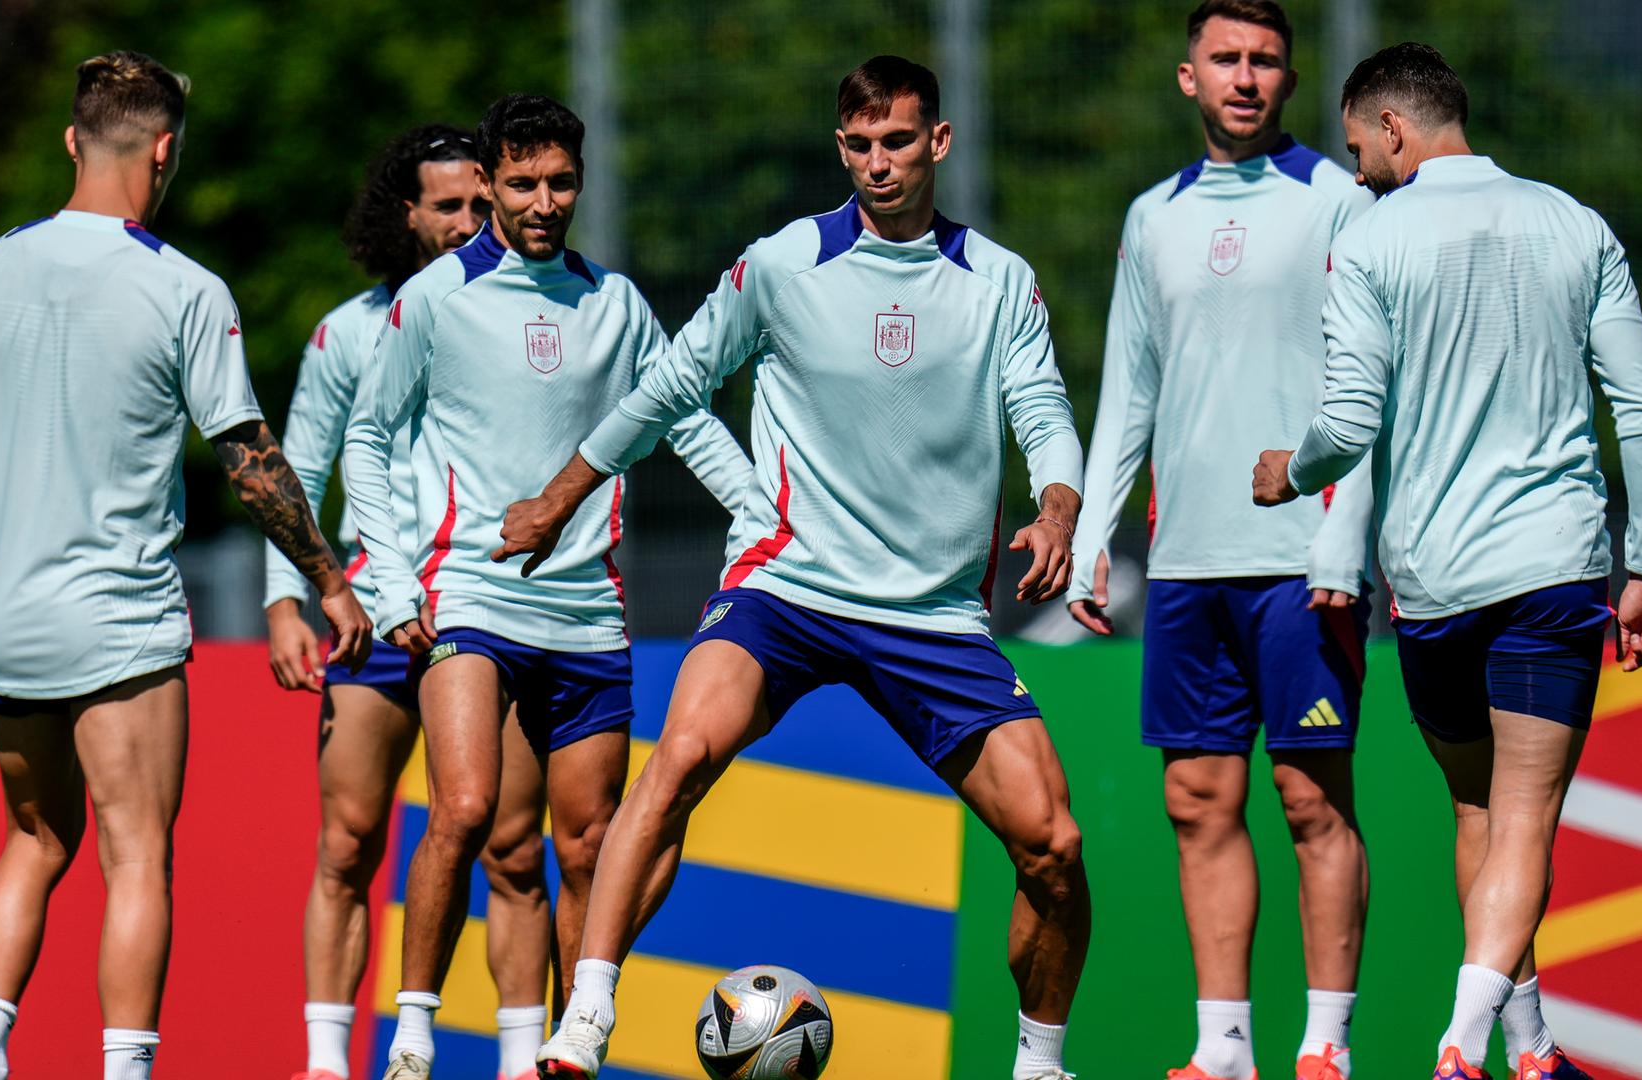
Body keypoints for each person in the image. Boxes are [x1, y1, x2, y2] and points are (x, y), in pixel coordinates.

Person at [500, 55, 1090, 1080]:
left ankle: (1039, 1064)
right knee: (679, 755)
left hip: (935, 616)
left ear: (937, 142)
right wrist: (561, 496)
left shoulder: (997, 280)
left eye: (898, 141)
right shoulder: (782, 263)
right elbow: (672, 382)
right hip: (788, 589)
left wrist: (1057, 506)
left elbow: (1041, 407)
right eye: (858, 146)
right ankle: (586, 1016)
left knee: (1054, 847)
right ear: (839, 148)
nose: (878, 165)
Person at [0, 51, 371, 1080]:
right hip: (118, 623)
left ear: (71, 140)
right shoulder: (183, 287)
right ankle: (124, 1070)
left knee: (33, 841)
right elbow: (249, 461)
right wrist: (328, 578)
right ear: (167, 150)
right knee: (137, 852)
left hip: (0, 621)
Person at [1252, 42, 1642, 1080]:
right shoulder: (1578, 225)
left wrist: (1289, 473)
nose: (1355, 170)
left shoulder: (1370, 238)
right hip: (1552, 567)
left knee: (1479, 811)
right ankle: (1474, 1041)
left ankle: (1515, 1051)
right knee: (1524, 819)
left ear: (1396, 128)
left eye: (1359, 147)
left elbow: (1347, 423)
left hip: (1436, 584)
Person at [342, 93, 749, 1080]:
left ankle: (571, 1049)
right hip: (469, 601)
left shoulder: (611, 303)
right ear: (488, 186)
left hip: (585, 615)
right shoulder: (436, 297)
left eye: (560, 181)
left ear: (580, 181)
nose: (542, 199)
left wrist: (760, 511)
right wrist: (390, 587)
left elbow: (680, 417)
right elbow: (368, 436)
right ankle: (413, 1033)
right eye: (521, 183)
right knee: (468, 807)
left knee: (588, 845)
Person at [1066, 4, 1374, 1078]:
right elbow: (1129, 388)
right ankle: (1223, 1051)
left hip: (1304, 559)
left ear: (1289, 80)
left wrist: (1346, 543)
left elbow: (1368, 386)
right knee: (1198, 800)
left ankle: (1325, 1045)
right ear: (1187, 77)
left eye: (1265, 62)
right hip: (1189, 562)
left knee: (1310, 800)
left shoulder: (1337, 199)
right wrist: (1096, 535)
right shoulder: (1153, 214)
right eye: (1226, 60)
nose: (1245, 78)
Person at [263, 125, 555, 1080]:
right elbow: (301, 467)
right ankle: (325, 1065)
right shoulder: (351, 330)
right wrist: (291, 598)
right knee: (349, 843)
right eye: (451, 207)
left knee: (511, 847)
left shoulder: (532, 312)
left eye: (482, 202)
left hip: (488, 606)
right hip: (373, 619)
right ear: (408, 215)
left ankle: (520, 1063)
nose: (472, 221)